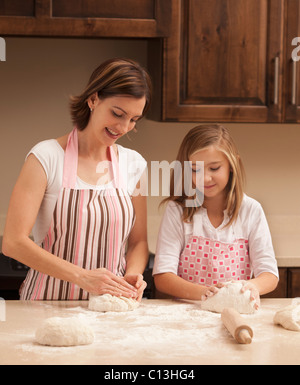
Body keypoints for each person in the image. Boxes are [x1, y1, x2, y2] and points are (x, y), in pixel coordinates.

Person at [2, 58, 152, 301]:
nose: (124, 127)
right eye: (117, 113)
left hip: (109, 306)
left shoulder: (134, 164)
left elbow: (138, 242)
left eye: (134, 119)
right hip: (46, 305)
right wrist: (83, 277)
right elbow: (13, 242)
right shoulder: (46, 156)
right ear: (93, 99)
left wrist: (132, 276)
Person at [153, 124, 278, 308]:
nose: (205, 178)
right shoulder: (177, 211)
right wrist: (205, 293)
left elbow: (269, 274)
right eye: (195, 170)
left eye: (214, 168)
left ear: (232, 165)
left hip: (236, 311)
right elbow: (163, 277)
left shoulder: (250, 210)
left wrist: (252, 286)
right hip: (188, 315)